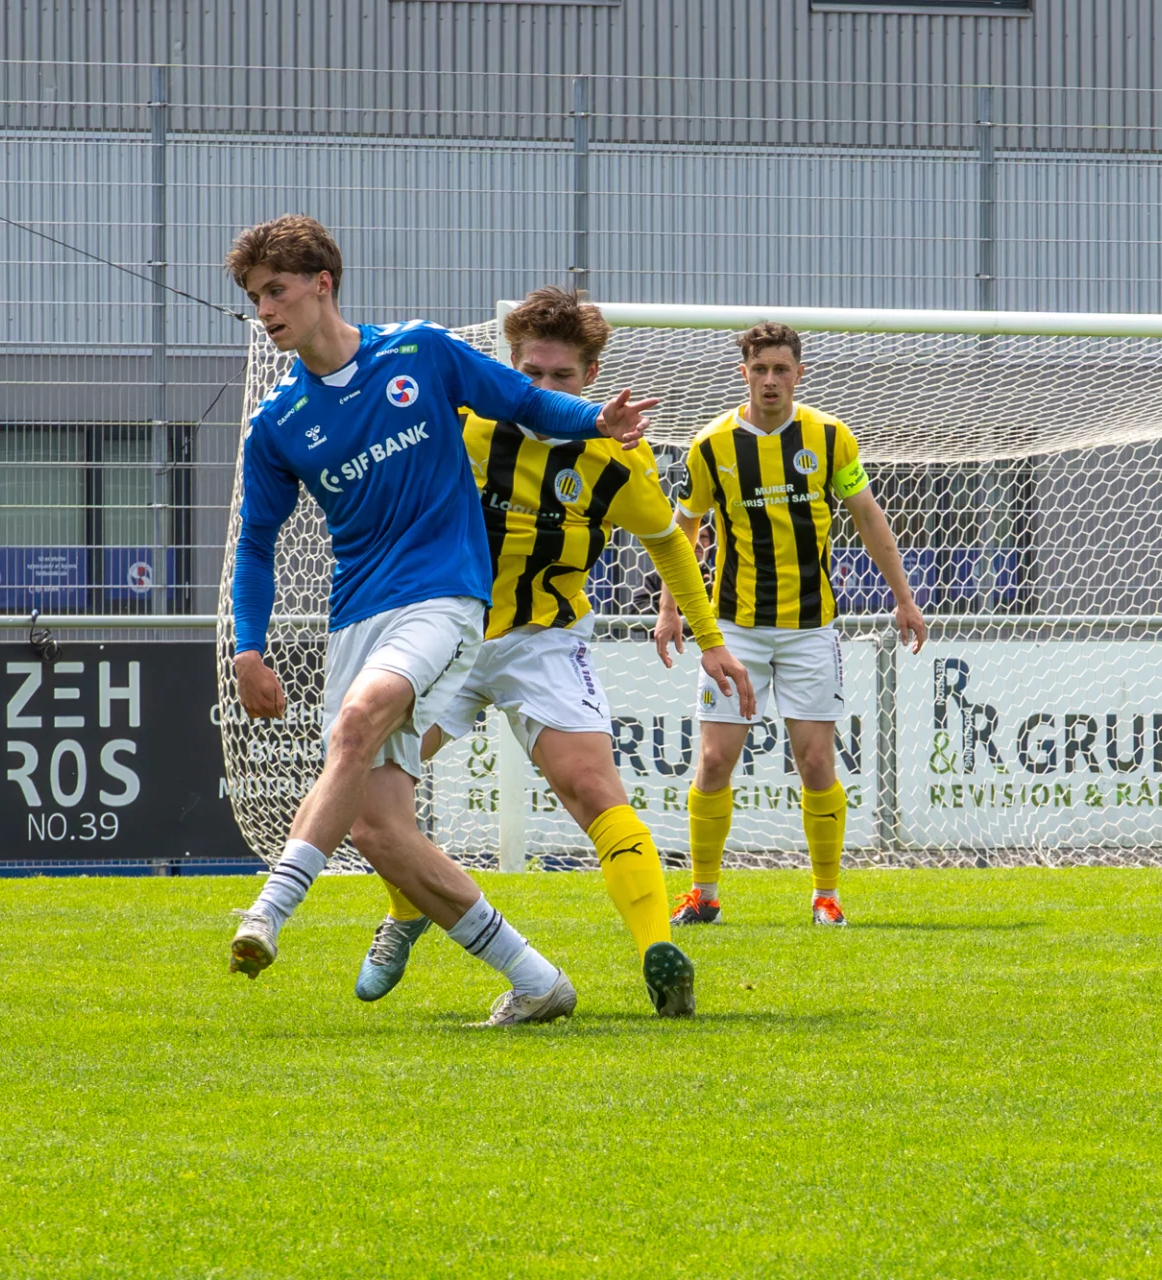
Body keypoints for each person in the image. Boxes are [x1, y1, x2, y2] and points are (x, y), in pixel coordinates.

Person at [226, 216, 657, 1026]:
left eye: (276, 291)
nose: (265, 311)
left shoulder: (420, 353)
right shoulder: (278, 422)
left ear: (324, 284)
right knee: (380, 830)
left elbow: (526, 399)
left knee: (357, 723)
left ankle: (269, 911)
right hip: (357, 613)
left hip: (447, 598)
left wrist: (595, 422)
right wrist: (249, 649)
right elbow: (256, 542)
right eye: (254, 298)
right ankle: (537, 980)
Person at [350, 287, 755, 1018]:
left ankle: (657, 951)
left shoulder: (614, 463)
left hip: (543, 640)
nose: (542, 390)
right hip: (448, 634)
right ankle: (405, 911)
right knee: (379, 786)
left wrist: (713, 641)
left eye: (560, 377)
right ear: (510, 369)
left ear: (590, 379)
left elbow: (670, 545)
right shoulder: (464, 425)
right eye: (530, 374)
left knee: (593, 790)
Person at [655, 322, 925, 928]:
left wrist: (904, 598)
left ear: (799, 372)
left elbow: (866, 516)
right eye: (760, 369)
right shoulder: (711, 445)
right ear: (743, 373)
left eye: (781, 368)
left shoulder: (830, 438)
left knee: (816, 762)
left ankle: (826, 896)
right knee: (716, 760)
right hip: (732, 629)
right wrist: (671, 609)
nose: (770, 379)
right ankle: (704, 894)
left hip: (810, 628)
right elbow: (683, 529)